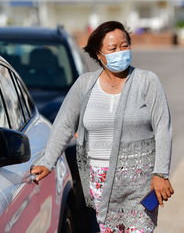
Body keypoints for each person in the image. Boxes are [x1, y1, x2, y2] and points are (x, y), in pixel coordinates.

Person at [31, 21, 174, 233]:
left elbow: (163, 127)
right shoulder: (84, 85)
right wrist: (47, 161)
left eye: (125, 46)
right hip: (100, 184)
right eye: (113, 48)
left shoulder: (147, 82)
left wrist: (160, 174)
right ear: (99, 54)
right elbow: (64, 125)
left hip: (141, 185)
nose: (120, 52)